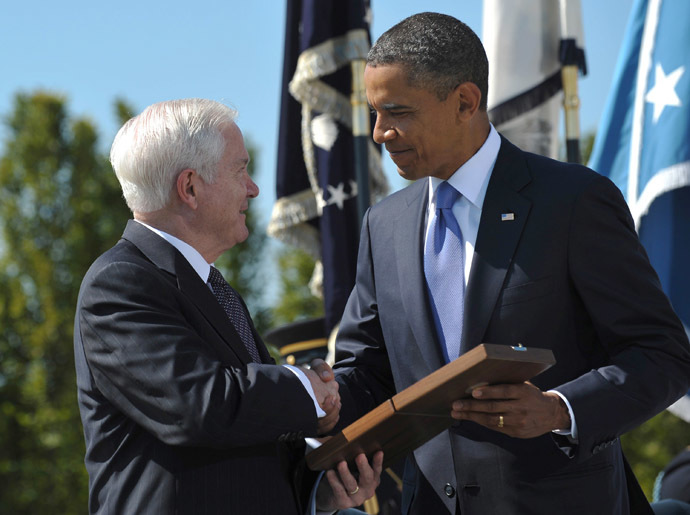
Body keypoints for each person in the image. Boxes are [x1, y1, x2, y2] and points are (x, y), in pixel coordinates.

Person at [326, 12, 690, 515]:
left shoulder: (573, 200)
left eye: (398, 112)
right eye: (375, 113)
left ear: (466, 102)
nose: (380, 132)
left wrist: (559, 410)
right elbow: (366, 370)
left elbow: (663, 355)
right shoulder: (382, 225)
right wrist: (302, 399)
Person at [73, 98, 382, 514]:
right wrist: (306, 389)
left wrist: (319, 493)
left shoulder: (214, 289)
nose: (253, 188)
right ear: (190, 188)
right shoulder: (119, 283)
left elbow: (244, 435)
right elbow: (200, 404)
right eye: (241, 169)